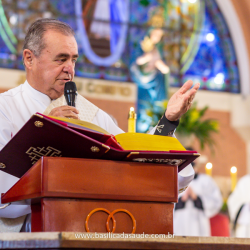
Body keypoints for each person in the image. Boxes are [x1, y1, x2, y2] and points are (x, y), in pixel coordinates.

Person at [0, 18, 200, 232]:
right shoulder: (6, 109)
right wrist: (45, 134)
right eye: (61, 59)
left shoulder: (91, 114)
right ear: (29, 59)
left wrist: (168, 121)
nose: (70, 69)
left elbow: (136, 158)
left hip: (89, 230)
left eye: (74, 60)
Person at [174, 155, 223, 236]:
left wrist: (197, 199)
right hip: (180, 221)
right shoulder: (175, 179)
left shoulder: (206, 180)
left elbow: (216, 200)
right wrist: (182, 200)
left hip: (198, 222)